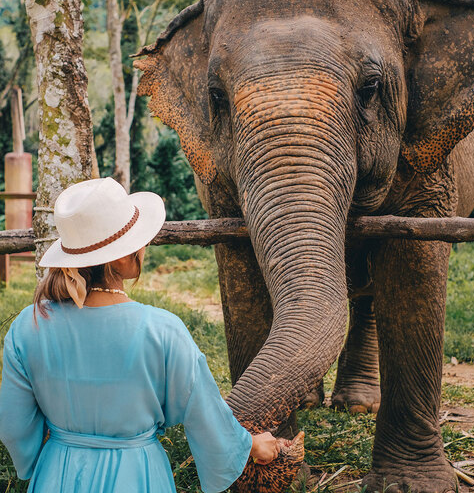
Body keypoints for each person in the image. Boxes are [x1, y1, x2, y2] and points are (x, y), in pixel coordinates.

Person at [0, 177, 280, 493]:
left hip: (57, 473)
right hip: (137, 475)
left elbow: (12, 426)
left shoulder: (28, 326)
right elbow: (204, 413)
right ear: (122, 256)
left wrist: (50, 456)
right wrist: (250, 445)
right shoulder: (163, 330)